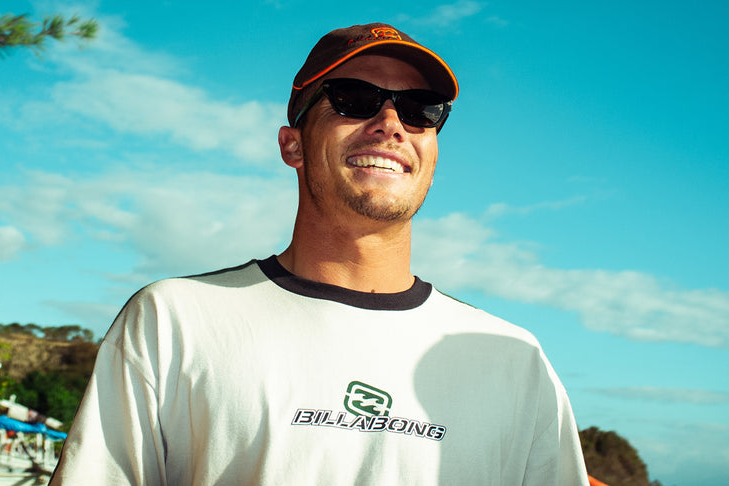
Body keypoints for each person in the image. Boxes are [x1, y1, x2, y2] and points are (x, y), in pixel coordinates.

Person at [50, 23, 589, 485]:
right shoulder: (174, 321)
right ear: (293, 145)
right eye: (353, 98)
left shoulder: (517, 362)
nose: (391, 124)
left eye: (420, 110)